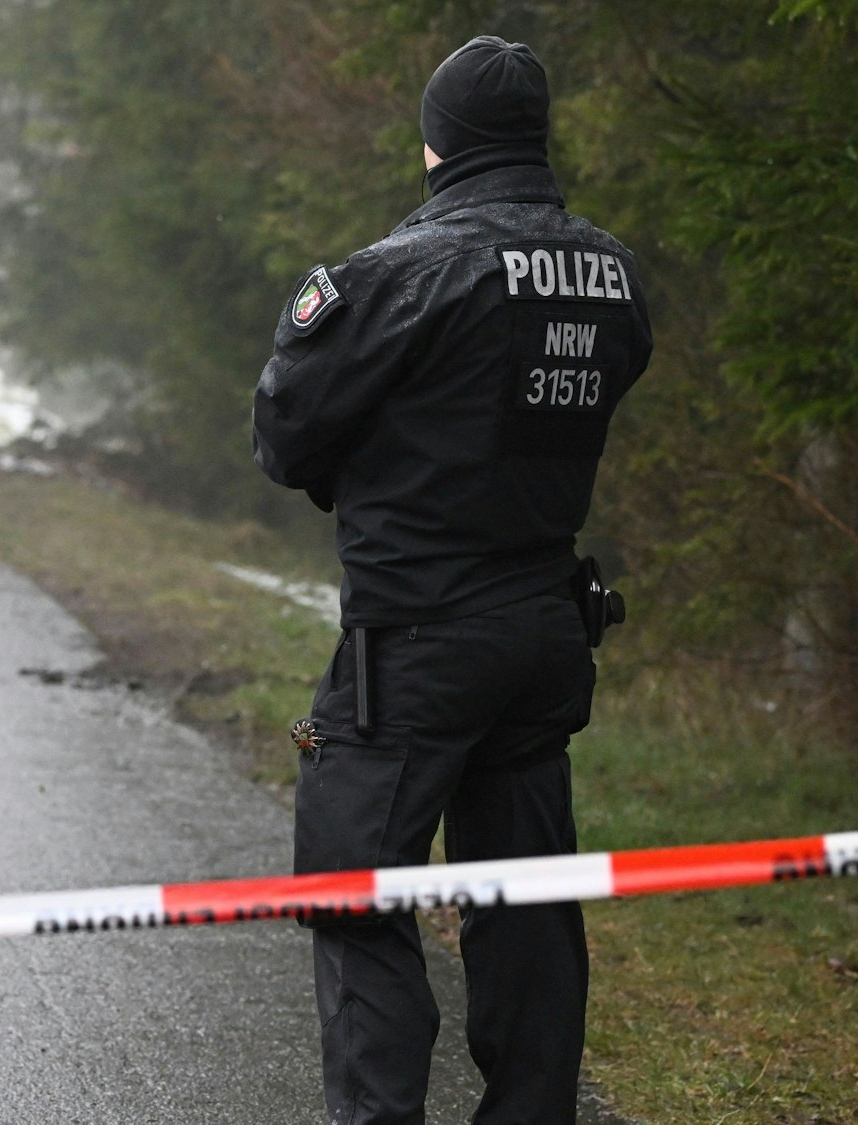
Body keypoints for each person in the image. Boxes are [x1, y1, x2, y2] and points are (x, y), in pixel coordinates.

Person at [252, 36, 654, 1125]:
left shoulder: (394, 276)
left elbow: (286, 438)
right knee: (523, 904)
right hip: (541, 635)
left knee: (353, 892)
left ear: (433, 142)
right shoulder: (609, 273)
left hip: (415, 646)